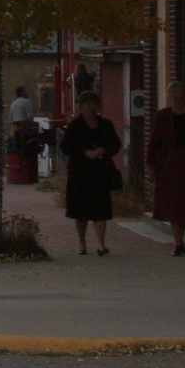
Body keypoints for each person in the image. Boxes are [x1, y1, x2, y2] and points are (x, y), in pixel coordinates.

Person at [147, 80, 185, 255]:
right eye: (171, 94)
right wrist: (150, 165)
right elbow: (154, 142)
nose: (174, 97)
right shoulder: (163, 116)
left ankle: (180, 239)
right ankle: (178, 243)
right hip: (169, 164)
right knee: (174, 204)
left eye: (178, 93)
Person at [61, 91, 122, 255]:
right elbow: (66, 147)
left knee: (100, 209)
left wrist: (103, 150)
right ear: (81, 106)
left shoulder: (106, 125)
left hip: (100, 172)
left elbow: (115, 144)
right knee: (80, 211)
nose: (91, 108)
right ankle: (82, 243)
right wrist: (84, 152)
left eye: (95, 104)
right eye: (88, 104)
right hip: (80, 172)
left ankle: (101, 244)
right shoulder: (75, 126)